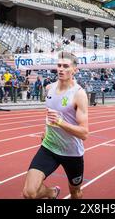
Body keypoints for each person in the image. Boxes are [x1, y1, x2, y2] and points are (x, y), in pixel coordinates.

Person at [23, 52, 89, 199]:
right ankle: (52, 193)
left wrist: (60, 123)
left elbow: (84, 133)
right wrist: (46, 129)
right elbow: (51, 113)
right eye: (59, 65)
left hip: (71, 153)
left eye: (66, 66)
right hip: (49, 147)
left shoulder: (79, 94)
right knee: (29, 193)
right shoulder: (49, 89)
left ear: (74, 70)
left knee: (75, 193)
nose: (61, 69)